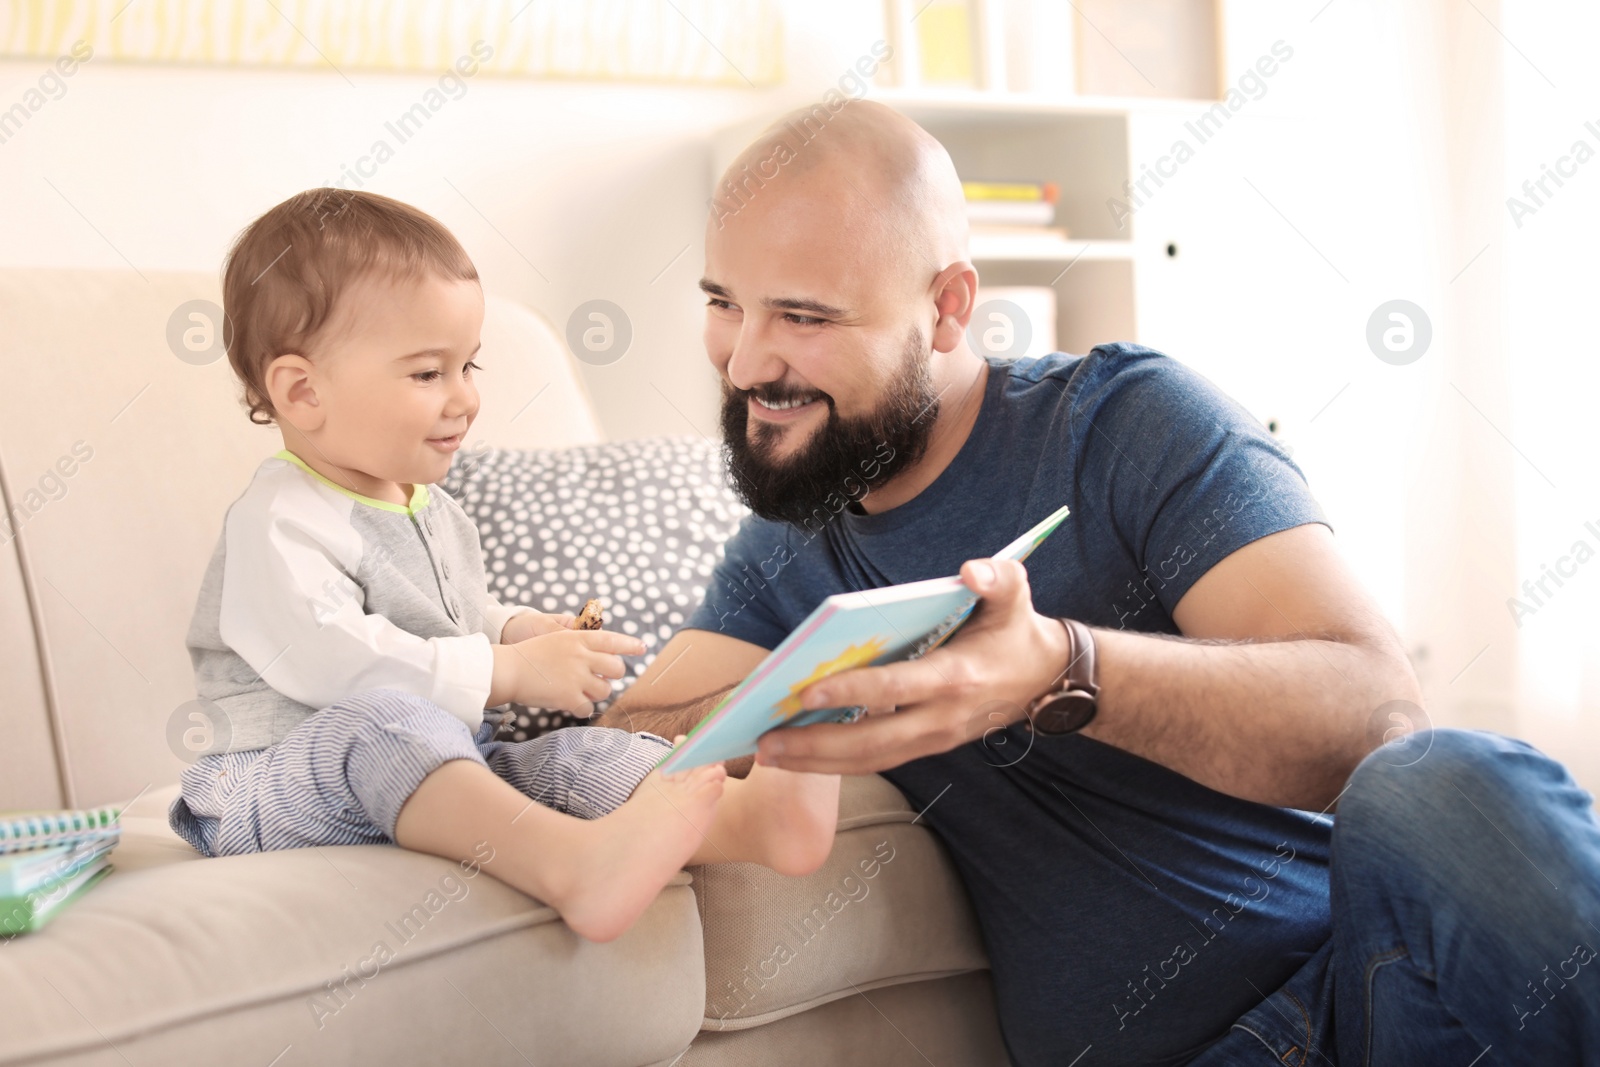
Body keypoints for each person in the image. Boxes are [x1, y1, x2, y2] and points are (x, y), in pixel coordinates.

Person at [602, 102, 1600, 1062]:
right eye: (722, 303)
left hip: (1369, 992)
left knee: (1455, 785)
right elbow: (631, 732)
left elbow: (1374, 717)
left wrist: (1058, 670)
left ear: (948, 308)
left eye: (804, 316)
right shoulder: (787, 553)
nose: (743, 361)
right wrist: (774, 702)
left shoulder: (1123, 424)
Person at [167, 188, 839, 944]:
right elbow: (337, 663)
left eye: (469, 366)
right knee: (382, 720)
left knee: (566, 759)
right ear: (303, 390)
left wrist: (516, 629)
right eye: (428, 374)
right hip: (276, 783)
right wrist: (505, 673)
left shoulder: (429, 508)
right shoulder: (281, 519)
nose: (466, 399)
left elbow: (442, 614)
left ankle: (756, 818)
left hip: (438, 763)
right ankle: (573, 867)